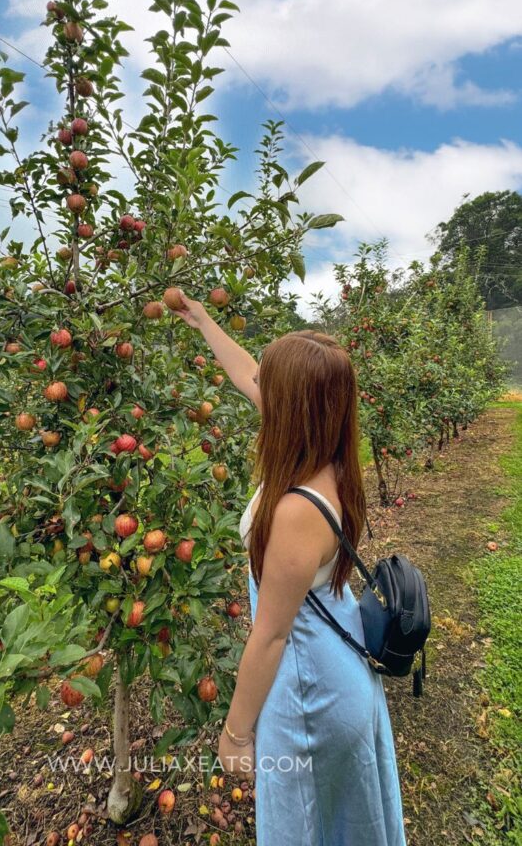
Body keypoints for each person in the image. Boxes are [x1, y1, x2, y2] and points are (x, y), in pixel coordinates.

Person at [169, 290, 407, 846]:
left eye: (271, 387)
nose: (259, 389)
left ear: (292, 406)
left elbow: (272, 635)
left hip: (310, 688)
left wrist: (235, 733)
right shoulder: (327, 459)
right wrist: (201, 319)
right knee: (343, 822)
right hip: (333, 662)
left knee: (306, 826)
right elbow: (248, 373)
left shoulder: (299, 508)